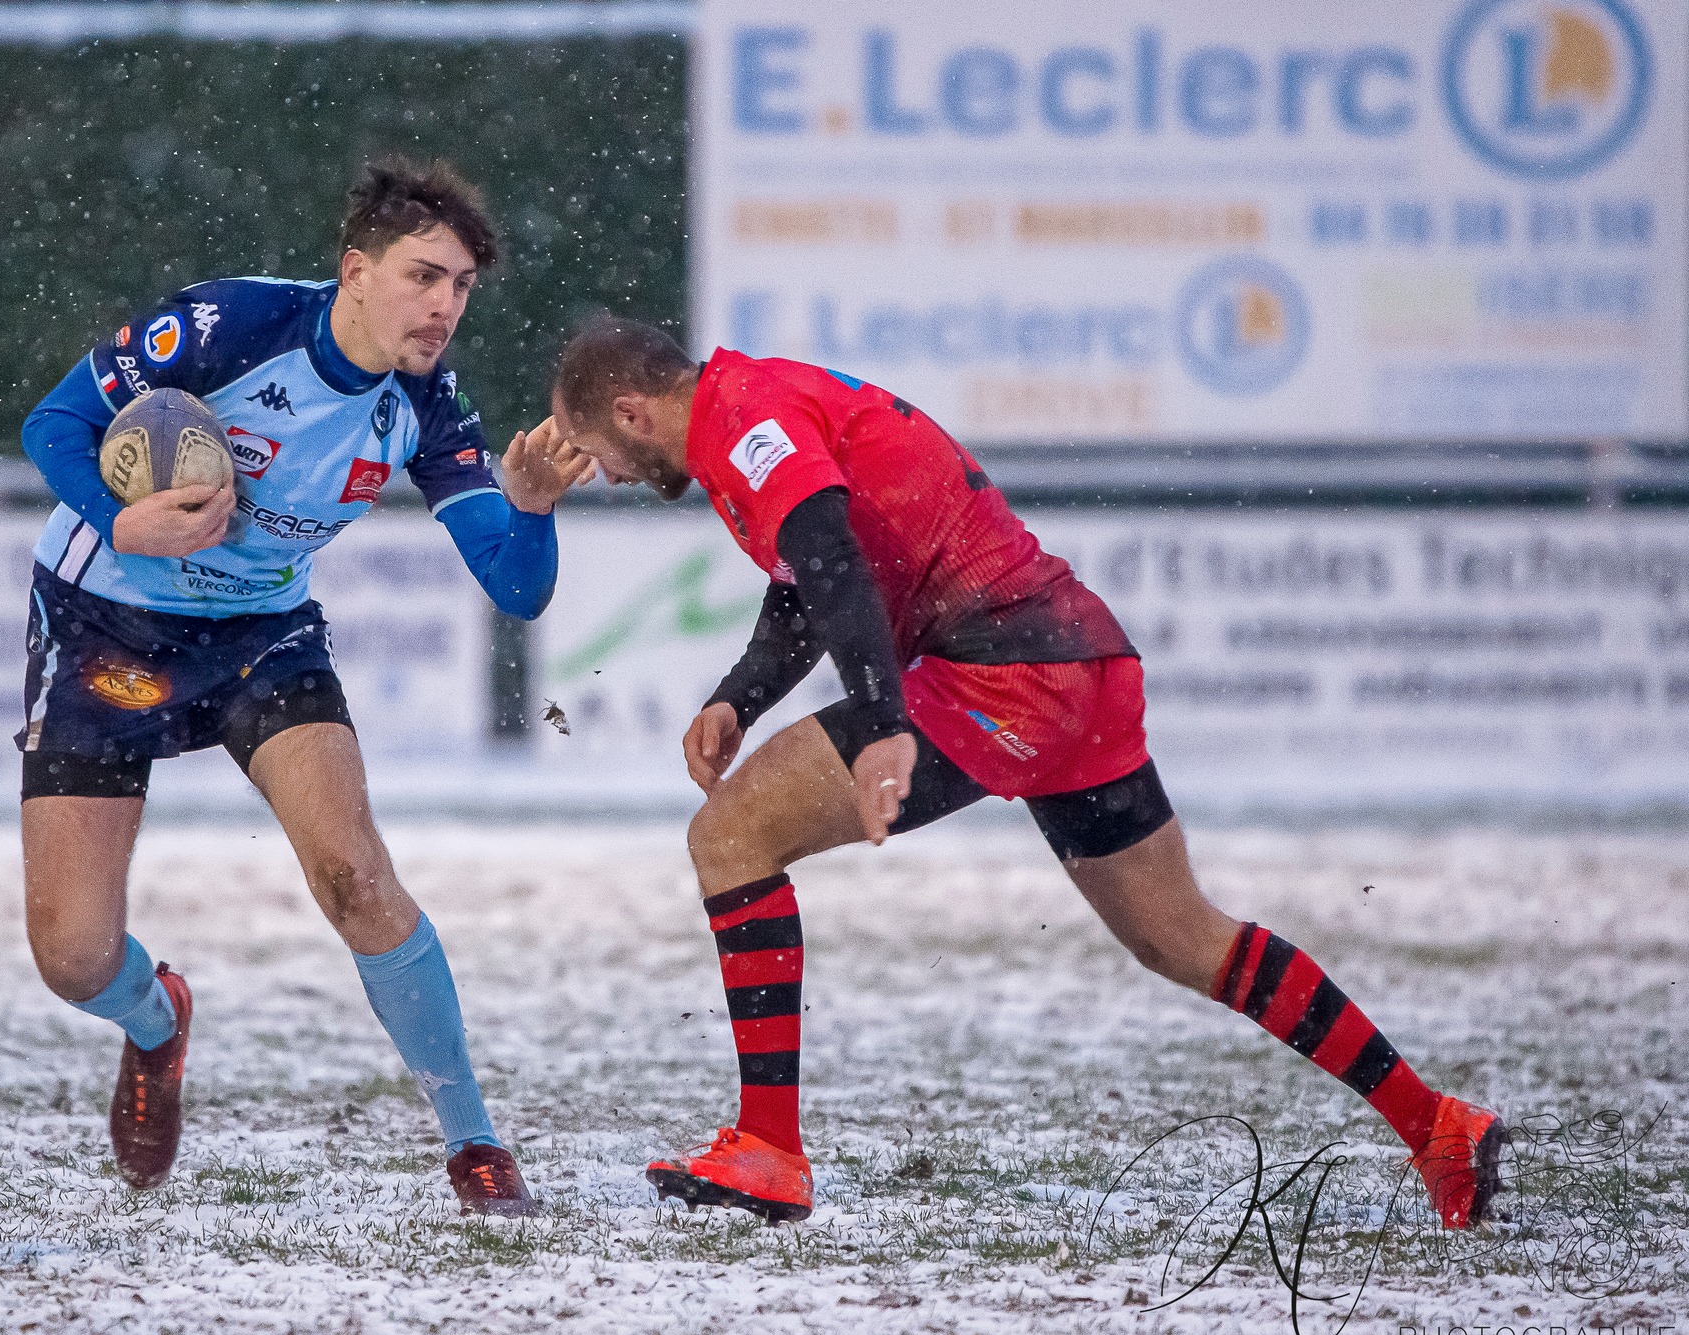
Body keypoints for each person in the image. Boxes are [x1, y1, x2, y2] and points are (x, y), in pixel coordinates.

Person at [548, 317, 1506, 1229]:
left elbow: (833, 562)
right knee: (1182, 937)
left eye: (603, 454)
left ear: (632, 410)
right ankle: (1437, 1128)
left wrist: (884, 722)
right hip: (1079, 663)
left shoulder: (742, 420)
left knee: (729, 834)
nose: (611, 476)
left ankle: (768, 1147)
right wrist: (738, 697)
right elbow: (810, 579)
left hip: (1004, 674)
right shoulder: (756, 404)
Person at [15, 158, 588, 1215]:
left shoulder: (423, 403)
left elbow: (514, 586)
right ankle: (155, 1020)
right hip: (106, 626)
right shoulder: (232, 323)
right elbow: (50, 425)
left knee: (356, 876)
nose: (443, 306)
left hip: (261, 636)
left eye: (461, 286)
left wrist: (535, 504)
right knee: (71, 955)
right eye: (424, 276)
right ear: (354, 272)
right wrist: (114, 513)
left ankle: (473, 1143)